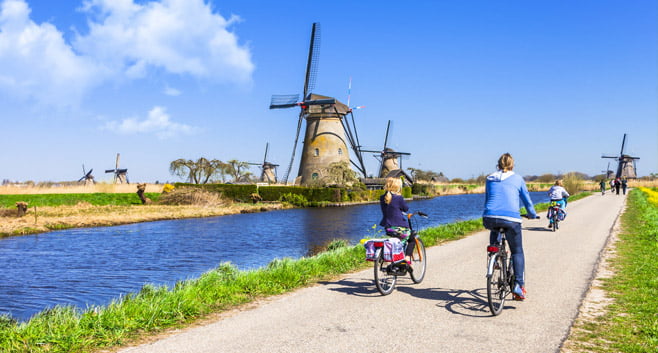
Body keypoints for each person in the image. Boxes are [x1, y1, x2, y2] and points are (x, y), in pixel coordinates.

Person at [483, 153, 538, 301]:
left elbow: (488, 198)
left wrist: (488, 213)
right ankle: (519, 287)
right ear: (512, 165)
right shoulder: (517, 179)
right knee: (517, 251)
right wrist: (532, 214)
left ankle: (493, 255)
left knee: (494, 226)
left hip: (489, 216)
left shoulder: (489, 178)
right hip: (511, 219)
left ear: (498, 164)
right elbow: (527, 200)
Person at [379, 177, 415, 265]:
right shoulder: (398, 198)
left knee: (396, 242)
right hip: (399, 227)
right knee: (412, 239)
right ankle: (406, 258)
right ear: (397, 186)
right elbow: (406, 208)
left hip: (388, 228)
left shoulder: (382, 198)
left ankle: (391, 258)